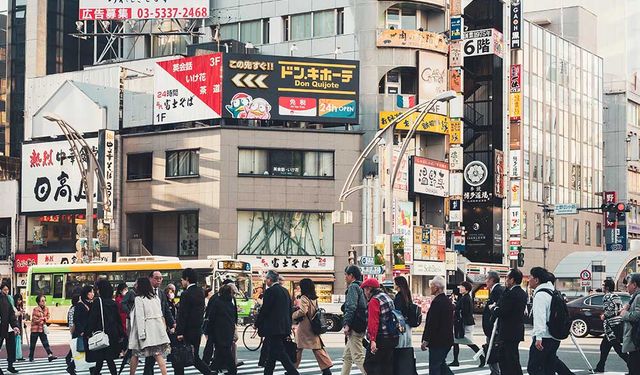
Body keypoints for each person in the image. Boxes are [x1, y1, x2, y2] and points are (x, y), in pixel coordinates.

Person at [254, 270, 299, 375]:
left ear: (269, 280)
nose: (266, 281)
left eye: (266, 279)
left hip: (273, 327)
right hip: (284, 326)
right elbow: (289, 309)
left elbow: (265, 309)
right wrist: (289, 325)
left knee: (280, 352)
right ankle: (268, 372)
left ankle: (293, 372)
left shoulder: (270, 291)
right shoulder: (285, 291)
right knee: (272, 353)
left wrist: (257, 323)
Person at [128, 277, 171, 375]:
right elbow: (160, 314)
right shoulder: (155, 297)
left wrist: (141, 334)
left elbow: (140, 317)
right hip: (156, 330)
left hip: (145, 331)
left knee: (135, 355)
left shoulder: (139, 299)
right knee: (158, 355)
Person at [173, 268, 211, 375]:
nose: (182, 282)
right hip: (197, 330)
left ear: (187, 279)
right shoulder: (200, 292)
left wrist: (179, 332)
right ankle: (209, 373)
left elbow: (183, 315)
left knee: (179, 358)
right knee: (194, 357)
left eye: (182, 280)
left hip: (186, 331)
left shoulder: (186, 294)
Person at [291, 278, 333, 375]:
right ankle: (326, 369)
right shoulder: (313, 298)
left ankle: (292, 369)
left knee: (298, 348)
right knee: (317, 348)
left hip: (305, 328)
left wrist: (293, 315)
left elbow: (302, 311)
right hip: (313, 327)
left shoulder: (304, 298)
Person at [491, 268, 528, 375]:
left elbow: (502, 310)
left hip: (509, 330)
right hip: (515, 330)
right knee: (511, 358)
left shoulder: (512, 294)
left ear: (512, 280)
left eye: (507, 278)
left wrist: (494, 309)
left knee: (508, 359)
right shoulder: (521, 292)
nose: (506, 280)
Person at [86, 279, 125, 375]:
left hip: (101, 333)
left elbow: (93, 319)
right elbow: (118, 320)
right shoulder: (113, 303)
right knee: (108, 358)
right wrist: (121, 334)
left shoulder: (97, 302)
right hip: (112, 334)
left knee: (101, 358)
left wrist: (87, 332)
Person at [526, 267, 560, 375]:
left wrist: (538, 337)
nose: (528, 279)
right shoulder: (552, 291)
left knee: (533, 368)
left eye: (530, 277)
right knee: (549, 368)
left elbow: (540, 317)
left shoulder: (540, 295)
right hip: (555, 336)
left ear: (536, 280)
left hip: (544, 338)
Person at [361, 278, 399, 375]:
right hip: (392, 337)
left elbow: (373, 321)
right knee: (387, 367)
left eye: (365, 289)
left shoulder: (374, 300)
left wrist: (373, 340)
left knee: (369, 365)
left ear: (369, 289)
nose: (364, 292)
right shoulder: (386, 297)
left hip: (380, 338)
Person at [144, 271, 176, 375]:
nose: (159, 280)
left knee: (151, 357)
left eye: (161, 278)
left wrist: (173, 323)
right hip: (149, 328)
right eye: (156, 278)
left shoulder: (161, 293)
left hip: (160, 327)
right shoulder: (144, 293)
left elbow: (166, 310)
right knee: (153, 356)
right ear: (150, 279)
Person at [420, 276, 454, 375]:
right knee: (441, 365)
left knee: (434, 367)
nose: (430, 288)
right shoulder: (447, 301)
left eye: (432, 286)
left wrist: (425, 340)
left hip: (438, 340)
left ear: (437, 287)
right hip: (446, 339)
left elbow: (432, 323)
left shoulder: (437, 302)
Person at [595, 279, 628, 372]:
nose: (602, 287)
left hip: (611, 326)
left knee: (618, 348)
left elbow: (610, 310)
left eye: (603, 285)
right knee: (604, 347)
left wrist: (604, 315)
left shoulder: (607, 296)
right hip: (618, 324)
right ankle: (600, 367)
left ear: (607, 287)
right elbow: (618, 309)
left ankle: (632, 365)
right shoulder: (616, 296)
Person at [450, 281, 484, 367]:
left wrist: (456, 308)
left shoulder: (466, 298)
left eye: (462, 287)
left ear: (467, 289)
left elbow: (465, 312)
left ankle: (482, 357)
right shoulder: (464, 297)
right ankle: (455, 360)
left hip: (465, 324)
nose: (460, 288)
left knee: (469, 342)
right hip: (463, 323)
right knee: (456, 341)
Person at [206, 284, 238, 375]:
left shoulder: (218, 302)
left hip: (219, 330)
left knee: (224, 350)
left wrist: (208, 329)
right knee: (222, 350)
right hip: (229, 329)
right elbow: (234, 316)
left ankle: (232, 370)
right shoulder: (230, 303)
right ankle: (214, 367)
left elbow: (212, 317)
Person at [341, 265, 367, 375]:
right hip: (362, 322)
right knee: (347, 356)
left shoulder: (353, 287)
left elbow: (351, 307)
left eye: (346, 275)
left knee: (358, 356)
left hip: (355, 325)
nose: (345, 277)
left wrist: (346, 324)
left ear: (351, 275)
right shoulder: (363, 287)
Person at [483, 271, 504, 375]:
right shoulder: (496, 290)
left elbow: (497, 310)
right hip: (492, 327)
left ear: (492, 280)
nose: (485, 281)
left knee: (492, 350)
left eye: (487, 279)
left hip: (494, 328)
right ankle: (495, 371)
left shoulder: (497, 290)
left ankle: (495, 372)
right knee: (492, 350)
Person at [28, 294, 57, 362]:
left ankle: (50, 355)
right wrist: (43, 319)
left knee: (45, 342)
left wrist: (44, 319)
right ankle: (31, 356)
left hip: (42, 328)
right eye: (42, 301)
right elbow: (34, 320)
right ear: (38, 302)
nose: (44, 302)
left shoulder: (46, 308)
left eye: (44, 300)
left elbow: (48, 316)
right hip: (35, 329)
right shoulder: (36, 309)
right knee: (33, 344)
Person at [621, 273, 640, 375]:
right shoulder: (634, 297)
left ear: (634, 284)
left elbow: (637, 315)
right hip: (635, 339)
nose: (626, 285)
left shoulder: (638, 297)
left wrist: (625, 314)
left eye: (628, 283)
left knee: (634, 366)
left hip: (636, 339)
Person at [74, 286, 95, 373]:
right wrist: (81, 331)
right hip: (83, 332)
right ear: (86, 293)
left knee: (89, 352)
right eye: (90, 292)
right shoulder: (80, 305)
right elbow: (76, 319)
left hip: (90, 332)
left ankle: (93, 371)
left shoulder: (93, 303)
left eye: (93, 292)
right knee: (84, 351)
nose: (92, 294)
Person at [0, 287, 19, 375]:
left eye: (7, 290)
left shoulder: (7, 298)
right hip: (1, 326)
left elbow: (11, 313)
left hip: (8, 327)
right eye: (5, 290)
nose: (6, 291)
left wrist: (15, 326)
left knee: (11, 347)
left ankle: (10, 366)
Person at [393, 276, 413, 348]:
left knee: (400, 347)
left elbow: (397, 313)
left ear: (398, 285)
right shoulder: (407, 295)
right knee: (407, 346)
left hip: (401, 325)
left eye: (394, 283)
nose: (393, 285)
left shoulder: (398, 297)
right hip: (408, 325)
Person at [66, 294, 81, 375]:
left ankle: (69, 359)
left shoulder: (74, 308)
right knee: (77, 348)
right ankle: (70, 363)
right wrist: (72, 331)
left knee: (76, 348)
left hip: (76, 331)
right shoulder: (73, 309)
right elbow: (71, 322)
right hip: (75, 331)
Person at [13, 293, 25, 363]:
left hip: (19, 324)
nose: (19, 301)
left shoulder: (20, 307)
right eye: (18, 300)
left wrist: (22, 313)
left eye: (20, 300)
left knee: (19, 340)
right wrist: (20, 312)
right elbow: (15, 315)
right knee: (14, 341)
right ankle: (15, 355)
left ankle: (18, 355)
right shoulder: (14, 307)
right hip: (15, 325)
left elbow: (22, 317)